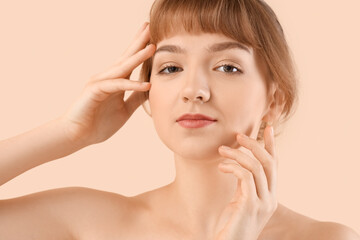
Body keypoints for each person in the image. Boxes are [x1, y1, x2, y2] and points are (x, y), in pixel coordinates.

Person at [0, 0, 359, 239]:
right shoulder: (88, 223)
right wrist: (69, 132)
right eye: (171, 67)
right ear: (147, 92)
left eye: (227, 67)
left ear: (274, 100)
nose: (194, 90)